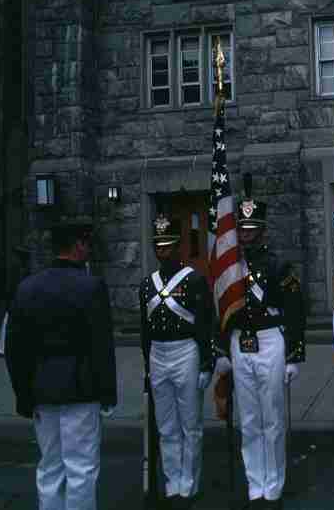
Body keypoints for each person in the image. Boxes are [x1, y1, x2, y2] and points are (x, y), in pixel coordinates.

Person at [5, 217, 117, 510]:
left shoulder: (28, 287)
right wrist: (108, 393)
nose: (89, 249)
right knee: (81, 469)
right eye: (86, 243)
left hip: (42, 388)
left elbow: (16, 349)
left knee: (50, 467)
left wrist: (23, 394)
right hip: (81, 388)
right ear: (78, 246)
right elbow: (101, 346)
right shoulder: (91, 287)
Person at [218, 173, 306, 510]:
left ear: (263, 230)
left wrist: (294, 355)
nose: (246, 235)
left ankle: (274, 485)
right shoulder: (230, 268)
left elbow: (296, 312)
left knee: (272, 419)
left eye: (252, 230)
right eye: (242, 230)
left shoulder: (279, 266)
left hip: (270, 341)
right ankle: (255, 483)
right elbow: (221, 310)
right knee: (250, 420)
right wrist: (221, 349)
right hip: (241, 343)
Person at [140, 213, 214, 509]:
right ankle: (172, 482)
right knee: (167, 426)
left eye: (168, 246)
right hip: (159, 354)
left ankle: (190, 483)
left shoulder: (194, 280)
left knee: (190, 424)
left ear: (178, 247)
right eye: (159, 247)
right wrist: (147, 365)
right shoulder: (147, 285)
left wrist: (206, 363)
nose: (163, 252)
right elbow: (145, 329)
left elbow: (205, 323)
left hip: (186, 352)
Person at [0, 244, 33, 358]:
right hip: (19, 300)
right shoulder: (23, 269)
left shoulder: (19, 269)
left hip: (17, 300)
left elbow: (12, 288)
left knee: (9, 325)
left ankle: (3, 349)